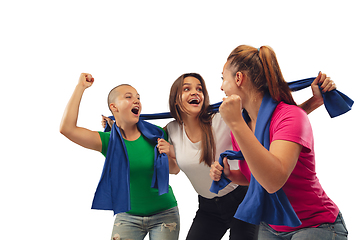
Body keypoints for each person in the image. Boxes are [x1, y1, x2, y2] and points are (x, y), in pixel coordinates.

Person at [163, 71, 336, 240]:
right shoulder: (171, 130)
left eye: (199, 89)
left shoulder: (222, 118)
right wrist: (171, 153)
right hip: (208, 208)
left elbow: (272, 124)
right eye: (186, 89)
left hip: (242, 199)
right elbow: (173, 169)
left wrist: (315, 101)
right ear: (176, 99)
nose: (195, 92)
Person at [210, 45, 348, 239]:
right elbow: (256, 176)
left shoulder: (287, 117)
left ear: (239, 78)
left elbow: (273, 181)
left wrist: (235, 123)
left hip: (316, 224)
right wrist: (230, 174)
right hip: (272, 226)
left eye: (223, 78)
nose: (221, 87)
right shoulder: (245, 125)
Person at [60, 73, 180, 240]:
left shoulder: (156, 134)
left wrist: (169, 153)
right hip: (128, 217)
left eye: (138, 97)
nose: (136, 100)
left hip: (164, 215)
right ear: (114, 107)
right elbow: (67, 128)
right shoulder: (109, 142)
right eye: (128, 97)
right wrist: (80, 87)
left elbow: (175, 170)